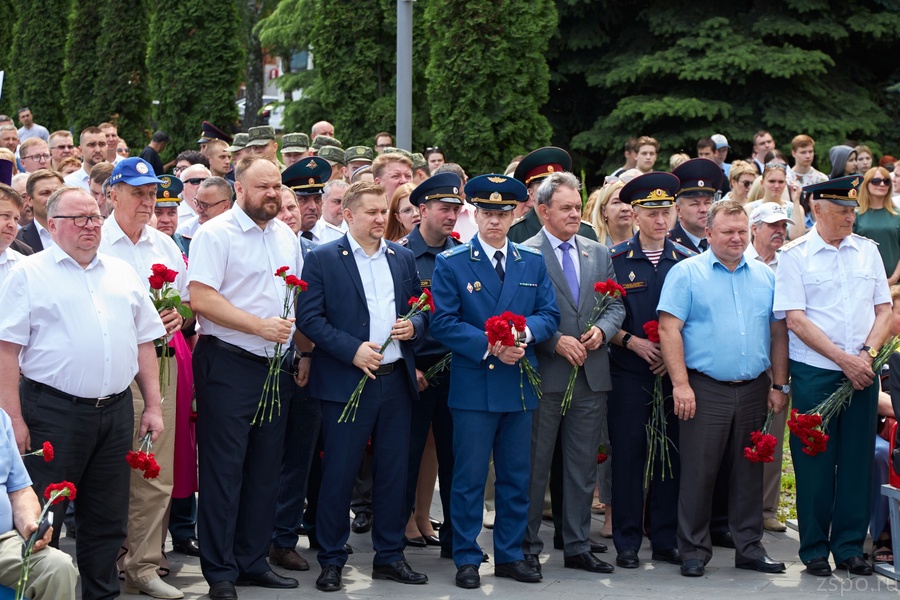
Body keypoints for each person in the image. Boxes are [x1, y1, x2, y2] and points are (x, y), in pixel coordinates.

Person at [0, 185, 166, 600]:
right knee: (45, 517)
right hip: (53, 411)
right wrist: (14, 419)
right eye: (78, 219)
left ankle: (102, 594)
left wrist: (154, 405)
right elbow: (6, 351)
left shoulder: (122, 272)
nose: (90, 226)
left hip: (115, 409)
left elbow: (145, 341)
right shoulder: (28, 273)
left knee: (108, 518)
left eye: (94, 217)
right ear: (52, 225)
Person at [296, 181, 429, 592]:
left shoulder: (402, 257)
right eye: (370, 212)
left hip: (394, 384)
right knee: (339, 473)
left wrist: (414, 326)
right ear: (349, 216)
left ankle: (389, 556)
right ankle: (332, 559)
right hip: (346, 382)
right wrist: (352, 350)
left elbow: (420, 309)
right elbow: (310, 319)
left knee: (393, 474)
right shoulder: (322, 259)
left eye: (382, 212)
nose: (379, 219)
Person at [430, 174, 560, 589]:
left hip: (519, 381)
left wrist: (519, 337)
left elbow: (548, 316)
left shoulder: (531, 262)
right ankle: (467, 556)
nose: (494, 222)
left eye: (503, 213)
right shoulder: (452, 262)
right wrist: (494, 343)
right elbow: (443, 323)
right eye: (486, 213)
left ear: (516, 213)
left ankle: (509, 554)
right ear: (475, 214)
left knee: (515, 476)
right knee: (468, 477)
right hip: (474, 384)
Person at [188, 156, 302, 599]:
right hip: (229, 363)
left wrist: (302, 352)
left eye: (276, 186)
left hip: (275, 367)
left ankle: (253, 561)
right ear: (239, 188)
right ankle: (219, 572)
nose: (272, 194)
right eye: (262, 187)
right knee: (224, 471)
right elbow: (200, 298)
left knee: (265, 469)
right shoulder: (215, 234)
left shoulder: (286, 237)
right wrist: (258, 326)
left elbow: (294, 296)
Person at [658, 199, 789, 578]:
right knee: (699, 472)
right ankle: (694, 550)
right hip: (704, 388)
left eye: (741, 232)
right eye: (727, 231)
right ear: (710, 233)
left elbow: (777, 331)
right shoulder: (686, 274)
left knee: (749, 473)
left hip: (754, 388)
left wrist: (779, 383)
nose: (735, 238)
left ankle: (749, 547)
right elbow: (669, 329)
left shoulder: (765, 276)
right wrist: (680, 384)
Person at [773, 176, 892, 577]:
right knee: (815, 463)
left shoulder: (867, 252)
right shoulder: (795, 255)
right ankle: (813, 550)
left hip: (862, 371)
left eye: (852, 209)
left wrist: (866, 355)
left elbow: (884, 311)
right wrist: (844, 359)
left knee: (858, 461)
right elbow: (796, 319)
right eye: (842, 209)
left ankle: (849, 547)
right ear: (817, 210)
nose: (850, 216)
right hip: (817, 372)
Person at [521, 171, 623, 575]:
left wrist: (603, 330)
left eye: (578, 207)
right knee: (534, 466)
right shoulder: (525, 252)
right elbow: (521, 312)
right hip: (545, 375)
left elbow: (615, 303)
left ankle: (578, 544)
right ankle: (526, 545)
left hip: (589, 377)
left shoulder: (596, 252)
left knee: (582, 468)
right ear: (543, 211)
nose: (573, 214)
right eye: (565, 208)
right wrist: (553, 341)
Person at [99, 157, 187, 599]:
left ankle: (145, 564)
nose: (147, 201)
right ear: (111, 194)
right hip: (106, 366)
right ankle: (106, 557)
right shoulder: (95, 241)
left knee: (155, 469)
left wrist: (176, 317)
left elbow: (189, 304)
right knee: (107, 470)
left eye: (152, 193)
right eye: (137, 192)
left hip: (158, 366)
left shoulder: (164, 246)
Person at [607, 172, 694, 569]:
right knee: (628, 456)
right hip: (628, 371)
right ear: (635, 215)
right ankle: (626, 540)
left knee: (670, 455)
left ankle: (664, 538)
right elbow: (602, 316)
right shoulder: (615, 260)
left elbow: (695, 320)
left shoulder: (687, 262)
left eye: (666, 211)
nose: (660, 220)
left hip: (673, 375)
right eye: (651, 212)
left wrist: (673, 356)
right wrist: (632, 341)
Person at [396, 173, 462, 554]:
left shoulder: (462, 252)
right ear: (422, 211)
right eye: (444, 209)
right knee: (407, 456)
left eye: (456, 209)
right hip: (416, 370)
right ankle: (397, 536)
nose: (452, 216)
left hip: (455, 369)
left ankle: (456, 538)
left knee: (456, 457)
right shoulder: (402, 254)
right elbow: (392, 316)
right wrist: (411, 366)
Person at [745, 202, 792, 533]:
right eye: (772, 225)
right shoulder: (737, 256)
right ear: (754, 228)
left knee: (772, 435)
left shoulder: (790, 262)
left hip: (776, 358)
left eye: (783, 226)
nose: (779, 231)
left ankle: (766, 507)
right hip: (742, 358)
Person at [0, 406, 79, 599]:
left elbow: (20, 490)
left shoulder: (1, 418)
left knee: (58, 567)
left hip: (3, 542)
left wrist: (30, 522)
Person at [509, 147, 596, 243]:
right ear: (531, 193)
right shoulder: (514, 234)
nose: (552, 192)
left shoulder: (585, 232)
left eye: (557, 186)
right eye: (545, 186)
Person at [853, 166, 900, 283]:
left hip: (895, 282)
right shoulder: (855, 215)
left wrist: (893, 278)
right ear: (866, 184)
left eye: (886, 181)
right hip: (863, 279)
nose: (882, 184)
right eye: (876, 181)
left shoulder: (897, 215)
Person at [669, 158, 721, 252]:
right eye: (695, 204)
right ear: (678, 210)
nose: (704, 209)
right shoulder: (668, 246)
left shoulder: (721, 242)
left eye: (707, 202)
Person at [744, 163, 806, 240]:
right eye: (772, 181)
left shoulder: (796, 208)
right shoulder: (750, 208)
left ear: (785, 184)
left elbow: (797, 237)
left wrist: (796, 201)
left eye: (781, 182)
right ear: (762, 183)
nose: (776, 186)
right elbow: (749, 240)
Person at [16, 170, 63, 252]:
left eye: (57, 192)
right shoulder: (17, 239)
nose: (53, 197)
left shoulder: (79, 231)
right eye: (45, 193)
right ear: (29, 200)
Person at [589, 181, 633, 246]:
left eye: (628, 201)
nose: (625, 208)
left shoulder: (649, 241)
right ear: (604, 211)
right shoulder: (593, 246)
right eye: (616, 202)